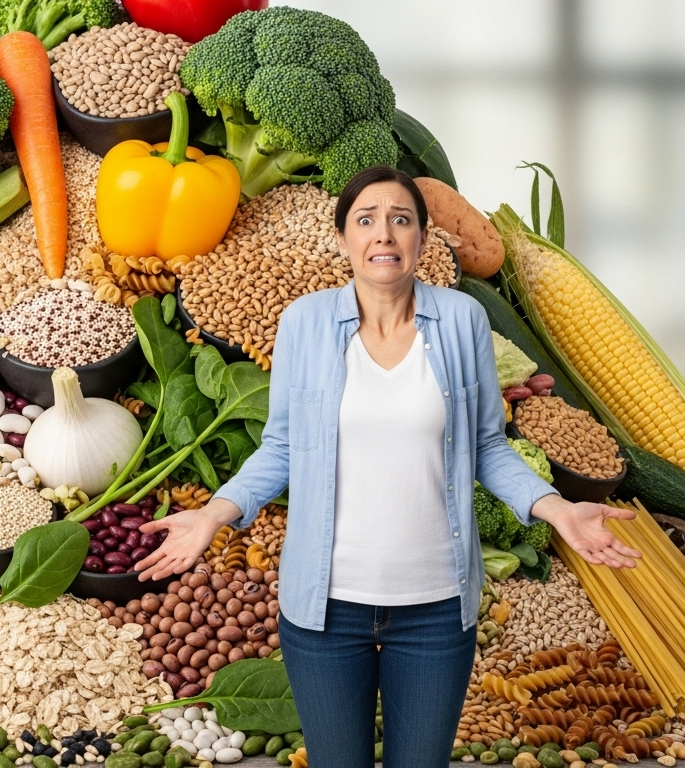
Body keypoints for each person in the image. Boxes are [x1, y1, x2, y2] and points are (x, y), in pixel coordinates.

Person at [134, 165, 641, 767]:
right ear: (344, 237)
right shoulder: (305, 322)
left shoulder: (461, 321)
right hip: (325, 612)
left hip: (434, 612)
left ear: (423, 239)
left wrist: (556, 509)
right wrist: (213, 516)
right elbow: (282, 446)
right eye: (366, 220)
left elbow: (487, 446)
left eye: (401, 220)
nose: (384, 234)